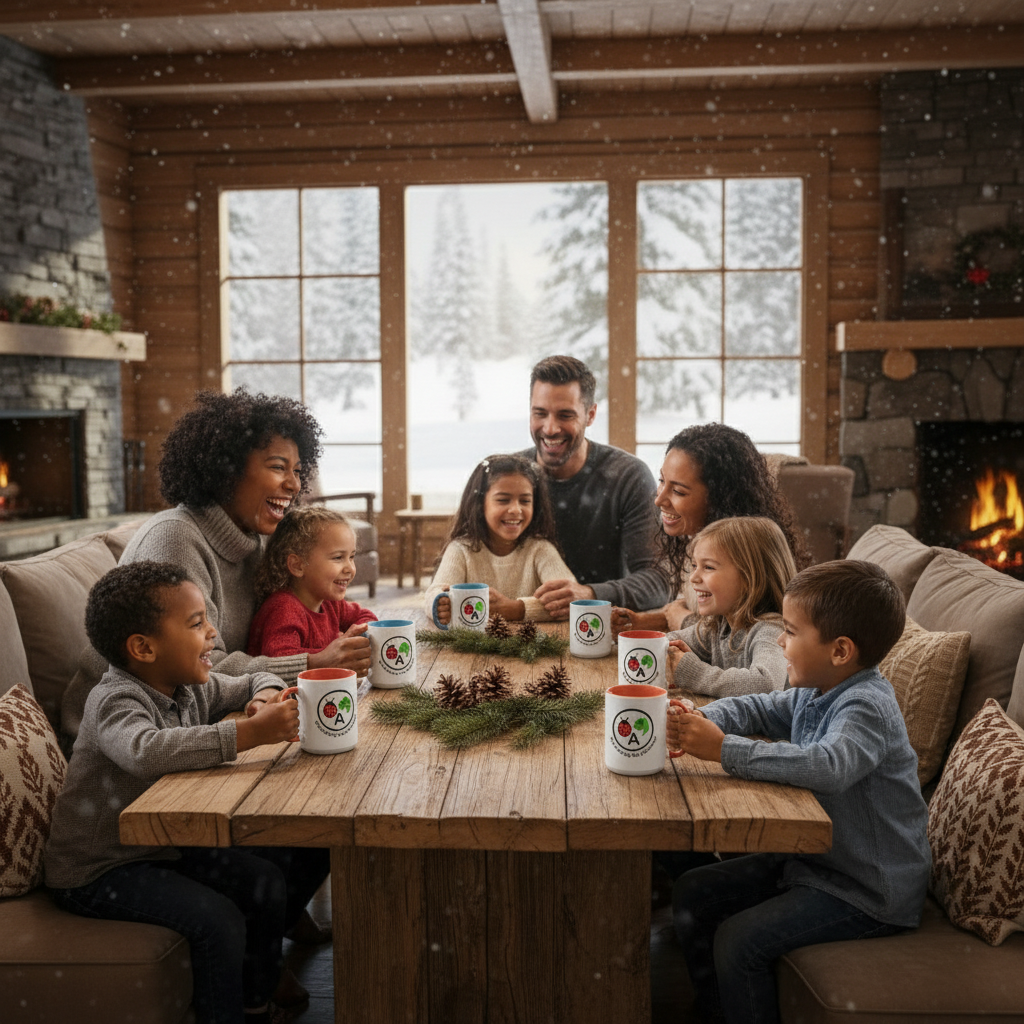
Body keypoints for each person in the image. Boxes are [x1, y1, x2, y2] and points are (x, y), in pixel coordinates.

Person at [45, 561, 331, 1024]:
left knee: (264, 881)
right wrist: (247, 735)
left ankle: (255, 1000)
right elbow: (144, 750)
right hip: (100, 869)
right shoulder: (116, 699)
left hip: (162, 847)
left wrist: (262, 697)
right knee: (216, 920)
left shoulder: (188, 685)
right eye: (197, 624)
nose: (213, 634)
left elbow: (252, 678)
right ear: (143, 647)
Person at [668, 560, 930, 1024]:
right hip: (817, 862)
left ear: (840, 650)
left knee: (739, 941)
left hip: (866, 890)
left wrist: (723, 750)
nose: (780, 643)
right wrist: (703, 717)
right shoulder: (817, 686)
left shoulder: (866, 705)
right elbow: (762, 707)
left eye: (789, 632)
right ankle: (719, 1009)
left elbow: (829, 766)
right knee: (695, 890)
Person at [614, 422, 810, 635]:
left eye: (678, 491)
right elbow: (698, 615)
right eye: (662, 481)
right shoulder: (694, 542)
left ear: (720, 498)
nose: (659, 500)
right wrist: (643, 621)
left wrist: (682, 620)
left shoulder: (743, 557)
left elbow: (734, 637)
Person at [518, 354, 672, 618]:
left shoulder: (628, 477)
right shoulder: (505, 476)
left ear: (590, 415)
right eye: (540, 413)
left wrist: (588, 594)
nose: (550, 428)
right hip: (516, 628)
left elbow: (658, 582)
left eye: (565, 415)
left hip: (601, 629)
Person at [425, 453, 575, 622]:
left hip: (532, 644)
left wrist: (514, 609)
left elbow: (568, 600)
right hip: (473, 647)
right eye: (503, 500)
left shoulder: (540, 549)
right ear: (480, 504)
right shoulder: (461, 549)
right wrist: (440, 604)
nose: (516, 510)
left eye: (525, 501)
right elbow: (434, 593)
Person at [665, 516, 796, 698]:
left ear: (749, 579)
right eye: (695, 566)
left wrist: (694, 672)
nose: (693, 578)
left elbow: (765, 684)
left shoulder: (770, 630)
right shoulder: (718, 625)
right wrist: (666, 649)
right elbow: (671, 640)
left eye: (708, 567)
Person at [248, 505, 377, 658]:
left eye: (351, 557)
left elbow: (365, 616)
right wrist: (334, 653)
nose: (350, 568)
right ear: (297, 566)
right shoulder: (284, 609)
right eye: (337, 558)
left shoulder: (330, 603)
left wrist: (354, 638)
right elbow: (281, 659)